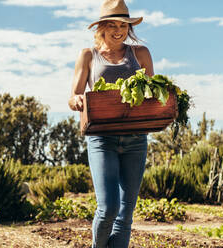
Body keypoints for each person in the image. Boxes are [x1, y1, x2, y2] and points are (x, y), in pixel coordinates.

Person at [67, 0, 154, 247]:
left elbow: (148, 93)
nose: (119, 30)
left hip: (136, 138)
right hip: (102, 138)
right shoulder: (88, 55)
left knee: (125, 214)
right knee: (108, 208)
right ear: (101, 27)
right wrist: (77, 100)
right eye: (113, 25)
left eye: (124, 25)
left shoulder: (141, 54)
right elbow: (74, 95)